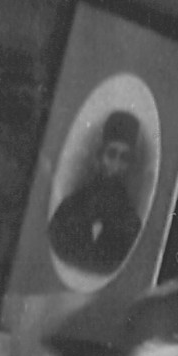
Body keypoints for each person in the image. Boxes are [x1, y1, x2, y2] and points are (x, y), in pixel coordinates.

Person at [48, 110, 144, 274]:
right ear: (100, 157)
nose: (116, 165)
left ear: (129, 165)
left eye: (124, 158)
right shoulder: (69, 208)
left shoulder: (130, 222)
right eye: (112, 154)